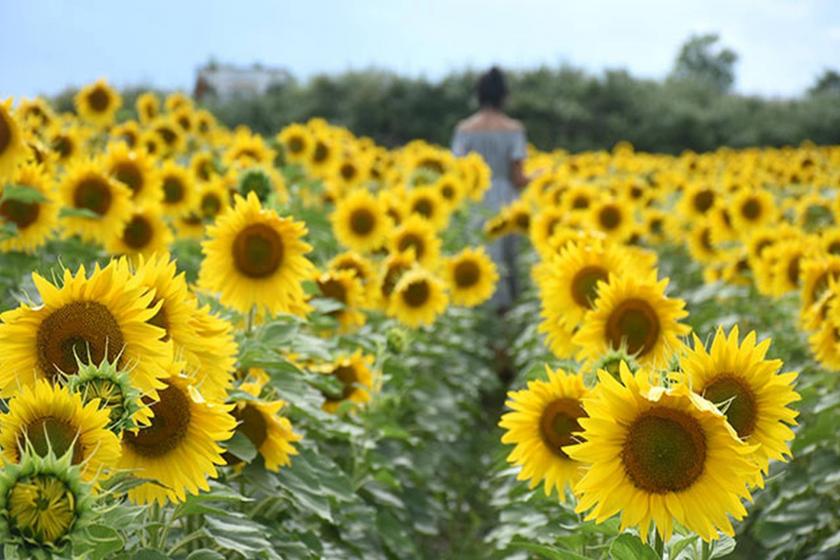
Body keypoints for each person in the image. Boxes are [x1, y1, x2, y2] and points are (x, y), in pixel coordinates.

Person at [451, 67, 530, 312]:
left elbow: (458, 171)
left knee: (477, 258)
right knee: (506, 263)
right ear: (504, 96)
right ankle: (505, 323)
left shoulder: (464, 129)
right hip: (505, 200)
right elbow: (518, 178)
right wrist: (539, 177)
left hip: (475, 199)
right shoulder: (514, 129)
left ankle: (477, 319)